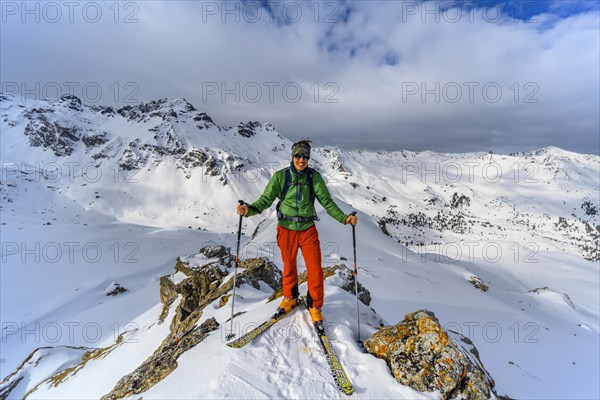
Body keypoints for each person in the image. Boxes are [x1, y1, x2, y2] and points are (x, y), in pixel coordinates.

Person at [236, 139, 357, 324]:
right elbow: (265, 200)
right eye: (298, 156)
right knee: (289, 266)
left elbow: (327, 202)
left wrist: (344, 218)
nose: (302, 160)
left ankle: (314, 305)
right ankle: (290, 297)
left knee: (315, 269)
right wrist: (248, 210)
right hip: (286, 229)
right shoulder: (280, 177)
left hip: (308, 229)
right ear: (292, 156)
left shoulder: (313, 177)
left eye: (305, 157)